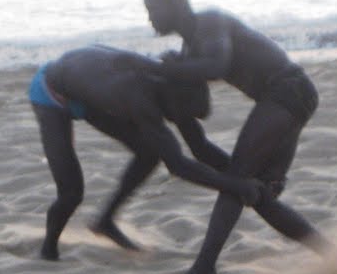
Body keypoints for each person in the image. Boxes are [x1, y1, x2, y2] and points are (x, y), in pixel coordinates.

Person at [143, 0, 326, 274]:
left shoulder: (210, 23)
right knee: (259, 193)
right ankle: (334, 255)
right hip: (284, 97)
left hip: (288, 89)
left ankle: (204, 267)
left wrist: (167, 69)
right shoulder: (189, 51)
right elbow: (199, 144)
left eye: (152, 9)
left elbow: (217, 65)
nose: (149, 18)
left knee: (239, 180)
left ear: (174, 4)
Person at [28, 45, 263, 260]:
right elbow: (178, 166)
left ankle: (105, 221)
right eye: (185, 115)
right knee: (71, 193)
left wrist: (245, 174)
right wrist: (237, 186)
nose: (185, 121)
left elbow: (200, 147)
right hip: (51, 93)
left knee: (149, 153)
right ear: (174, 101)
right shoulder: (137, 97)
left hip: (91, 90)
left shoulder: (174, 85)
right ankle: (48, 250)